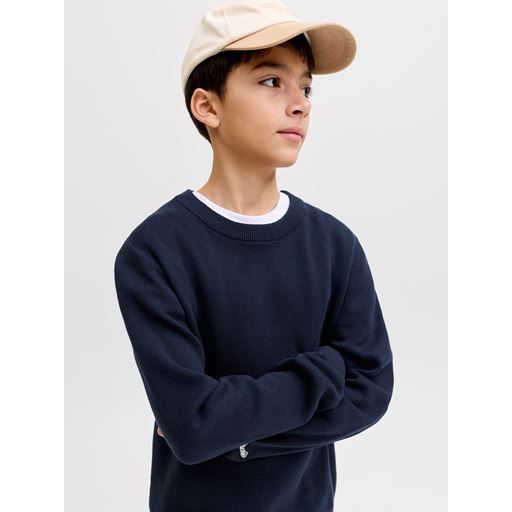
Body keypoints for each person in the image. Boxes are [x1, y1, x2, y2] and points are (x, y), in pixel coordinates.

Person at [113, 1, 394, 511]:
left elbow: (371, 391)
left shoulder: (335, 245)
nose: (300, 104)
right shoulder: (154, 252)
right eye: (271, 81)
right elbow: (193, 425)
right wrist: (326, 370)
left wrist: (232, 435)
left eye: (306, 87)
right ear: (208, 106)